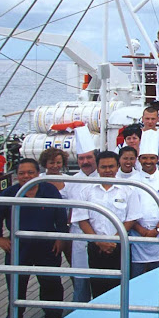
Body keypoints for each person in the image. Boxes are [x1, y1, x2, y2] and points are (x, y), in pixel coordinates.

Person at [0, 158, 67, 318]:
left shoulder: (49, 190)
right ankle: (15, 317)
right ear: (16, 175)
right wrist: (0, 239)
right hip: (19, 246)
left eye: (30, 173)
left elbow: (61, 215)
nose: (26, 176)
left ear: (38, 173)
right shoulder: (8, 194)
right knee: (16, 284)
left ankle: (53, 315)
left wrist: (60, 237)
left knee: (51, 283)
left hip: (47, 245)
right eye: (22, 173)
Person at [73, 152, 141, 300]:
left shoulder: (128, 189)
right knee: (98, 287)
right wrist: (99, 241)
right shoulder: (86, 190)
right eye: (103, 167)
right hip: (96, 246)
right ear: (97, 168)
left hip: (120, 245)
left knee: (122, 287)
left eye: (111, 166)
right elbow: (82, 219)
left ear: (117, 167)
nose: (108, 170)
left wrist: (115, 240)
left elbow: (132, 218)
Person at [131, 130, 159, 276]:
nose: (148, 161)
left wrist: (156, 230)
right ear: (139, 159)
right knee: (136, 280)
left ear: (157, 158)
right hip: (137, 237)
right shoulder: (132, 181)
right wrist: (143, 231)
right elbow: (128, 211)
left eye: (151, 158)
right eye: (144, 158)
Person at [68, 125, 99, 303]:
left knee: (102, 283)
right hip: (79, 239)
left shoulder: (106, 177)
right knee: (80, 285)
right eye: (81, 158)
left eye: (88, 157)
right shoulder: (71, 181)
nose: (85, 161)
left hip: (102, 238)